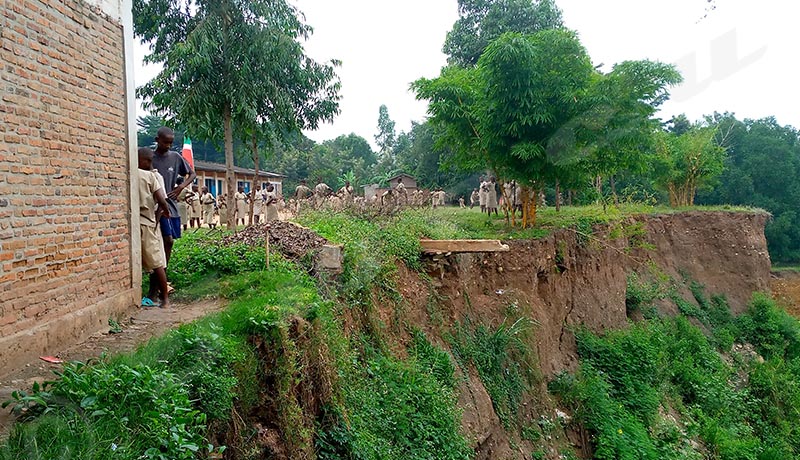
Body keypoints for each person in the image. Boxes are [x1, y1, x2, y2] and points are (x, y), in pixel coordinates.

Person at [150, 127, 196, 297]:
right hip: (155, 206)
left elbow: (192, 174)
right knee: (163, 241)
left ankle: (161, 280)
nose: (168, 146)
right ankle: (156, 286)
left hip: (171, 205)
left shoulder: (176, 157)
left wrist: (180, 187)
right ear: (157, 140)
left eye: (171, 142)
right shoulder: (150, 158)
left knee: (169, 243)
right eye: (165, 142)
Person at [138, 148, 170, 309]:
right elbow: (162, 200)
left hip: (141, 222)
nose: (150, 165)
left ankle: (160, 296)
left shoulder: (134, 175)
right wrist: (165, 211)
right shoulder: (150, 176)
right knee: (157, 262)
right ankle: (164, 298)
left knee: (151, 261)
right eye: (148, 161)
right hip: (147, 223)